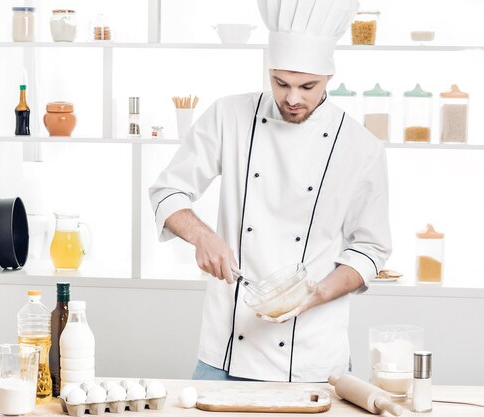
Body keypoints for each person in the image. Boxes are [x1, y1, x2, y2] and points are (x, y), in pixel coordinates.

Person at [149, 0, 391, 383]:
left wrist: (318, 293)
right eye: (281, 83)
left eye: (307, 86)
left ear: (330, 76)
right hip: (226, 350)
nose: (293, 98)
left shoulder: (360, 147)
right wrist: (203, 237)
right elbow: (168, 191)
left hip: (315, 356)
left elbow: (371, 248)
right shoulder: (228, 116)